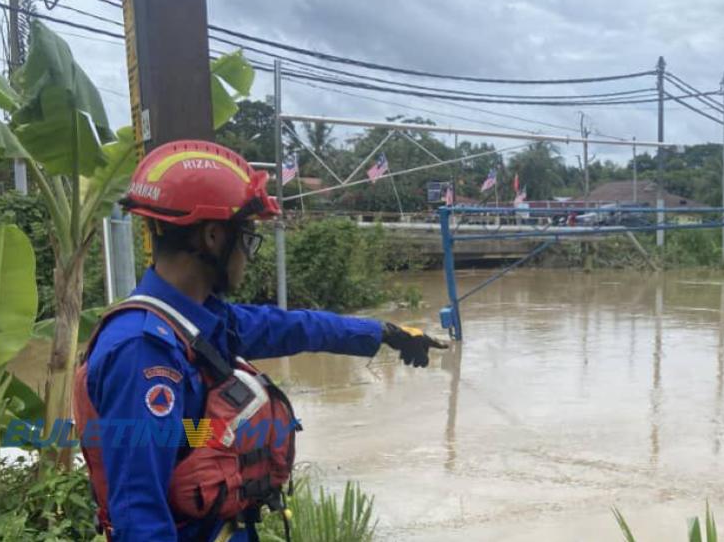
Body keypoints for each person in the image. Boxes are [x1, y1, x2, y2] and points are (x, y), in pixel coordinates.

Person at [72, 140, 447, 542]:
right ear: (213, 237)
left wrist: (383, 333)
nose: (249, 254)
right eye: (247, 237)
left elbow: (293, 327)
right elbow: (140, 519)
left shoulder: (199, 321)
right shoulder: (143, 350)